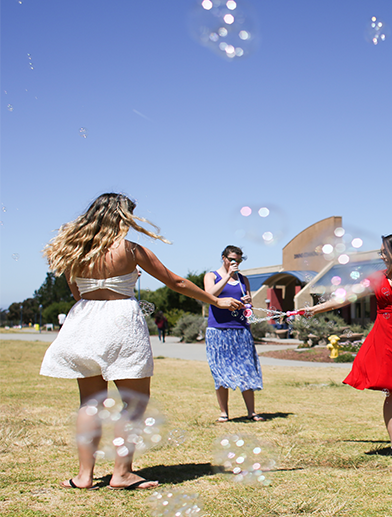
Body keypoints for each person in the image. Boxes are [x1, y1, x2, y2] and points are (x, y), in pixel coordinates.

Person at [40, 193, 243, 490]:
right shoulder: (132, 250)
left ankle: (84, 476)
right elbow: (176, 282)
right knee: (133, 404)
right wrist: (215, 300)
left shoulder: (76, 252)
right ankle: (121, 474)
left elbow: (78, 294)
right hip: (120, 323)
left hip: (82, 323)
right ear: (121, 216)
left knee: (89, 404)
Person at [308, 233, 392, 461]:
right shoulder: (376, 278)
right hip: (385, 341)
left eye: (385, 251)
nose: (381, 255)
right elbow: (345, 298)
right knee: (391, 393)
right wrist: (315, 309)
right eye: (381, 251)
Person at [204, 245, 264, 423]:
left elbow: (249, 308)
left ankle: (251, 412)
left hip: (240, 330)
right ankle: (224, 413)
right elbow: (209, 295)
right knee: (220, 372)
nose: (235, 263)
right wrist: (228, 276)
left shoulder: (243, 279)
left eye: (238, 260)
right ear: (223, 258)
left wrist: (248, 303)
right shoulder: (211, 276)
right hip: (218, 330)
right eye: (231, 259)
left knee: (246, 370)